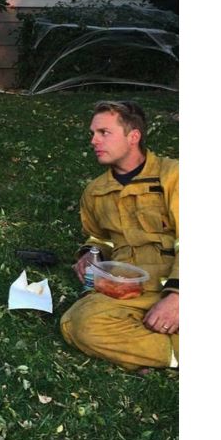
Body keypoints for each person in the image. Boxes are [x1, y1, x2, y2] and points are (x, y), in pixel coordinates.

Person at [59, 100, 179, 370]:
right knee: (77, 325)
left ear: (133, 136)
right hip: (128, 288)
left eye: (104, 133)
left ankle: (149, 345)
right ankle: (170, 350)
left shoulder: (173, 175)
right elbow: (99, 238)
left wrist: (177, 297)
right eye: (92, 133)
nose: (93, 140)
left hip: (174, 281)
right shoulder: (95, 191)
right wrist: (91, 255)